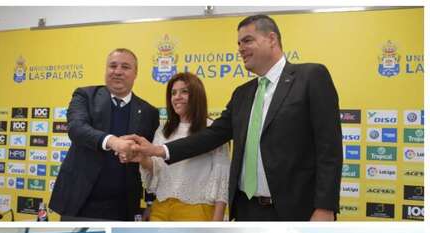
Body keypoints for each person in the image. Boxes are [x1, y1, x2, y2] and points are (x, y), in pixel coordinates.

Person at [118, 14, 342, 221]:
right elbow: (210, 136)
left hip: (295, 211)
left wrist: (325, 207)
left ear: (271, 39)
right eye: (238, 44)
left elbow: (329, 149)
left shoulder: (311, 77)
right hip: (246, 210)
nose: (241, 49)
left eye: (247, 41)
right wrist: (158, 150)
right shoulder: (242, 94)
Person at [48, 48, 159, 221]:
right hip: (80, 202)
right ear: (106, 69)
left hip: (124, 207)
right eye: (112, 66)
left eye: (125, 67)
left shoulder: (148, 112)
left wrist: (151, 204)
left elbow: (152, 162)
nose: (118, 72)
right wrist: (113, 141)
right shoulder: (85, 95)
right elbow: (76, 128)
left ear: (135, 73)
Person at [138, 72, 229, 221]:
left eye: (184, 92)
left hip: (198, 211)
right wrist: (142, 158)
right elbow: (155, 170)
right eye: (173, 93)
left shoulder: (213, 130)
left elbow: (221, 180)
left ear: (197, 96)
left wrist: (216, 223)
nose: (177, 97)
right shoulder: (162, 130)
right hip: (160, 209)